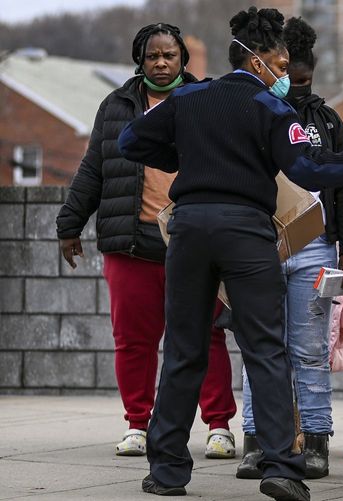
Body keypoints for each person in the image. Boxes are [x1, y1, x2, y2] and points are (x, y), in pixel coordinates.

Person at [116, 7, 343, 501]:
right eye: (280, 61)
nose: (284, 72)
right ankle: (279, 466)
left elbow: (130, 140)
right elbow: (312, 171)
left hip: (188, 231)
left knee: (184, 350)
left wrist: (187, 161)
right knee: (266, 350)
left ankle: (167, 471)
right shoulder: (272, 109)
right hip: (246, 233)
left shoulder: (187, 97)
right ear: (258, 62)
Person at [55, 23, 236, 460]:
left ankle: (218, 426)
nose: (160, 62)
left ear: (182, 60)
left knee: (206, 337)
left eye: (169, 55)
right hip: (131, 243)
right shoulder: (116, 105)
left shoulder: (207, 100)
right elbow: (94, 166)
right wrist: (70, 224)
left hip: (194, 241)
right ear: (141, 59)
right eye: (152, 55)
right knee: (133, 340)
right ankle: (138, 424)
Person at [236, 16, 343, 481]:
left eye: (304, 79)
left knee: (310, 351)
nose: (295, 86)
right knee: (259, 349)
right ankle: (256, 443)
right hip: (258, 247)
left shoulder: (327, 121)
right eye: (288, 75)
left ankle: (316, 442)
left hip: (314, 250)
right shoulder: (250, 111)